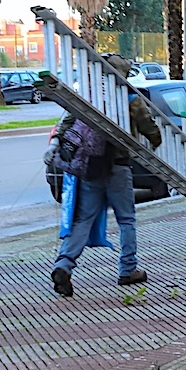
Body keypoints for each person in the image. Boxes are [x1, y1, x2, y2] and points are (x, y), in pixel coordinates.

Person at [48, 62, 162, 297]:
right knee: (126, 219)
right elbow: (151, 131)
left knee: (83, 220)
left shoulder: (88, 97)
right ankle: (128, 270)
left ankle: (64, 265)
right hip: (118, 168)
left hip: (91, 167)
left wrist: (54, 143)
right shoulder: (130, 99)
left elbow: (66, 122)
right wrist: (154, 139)